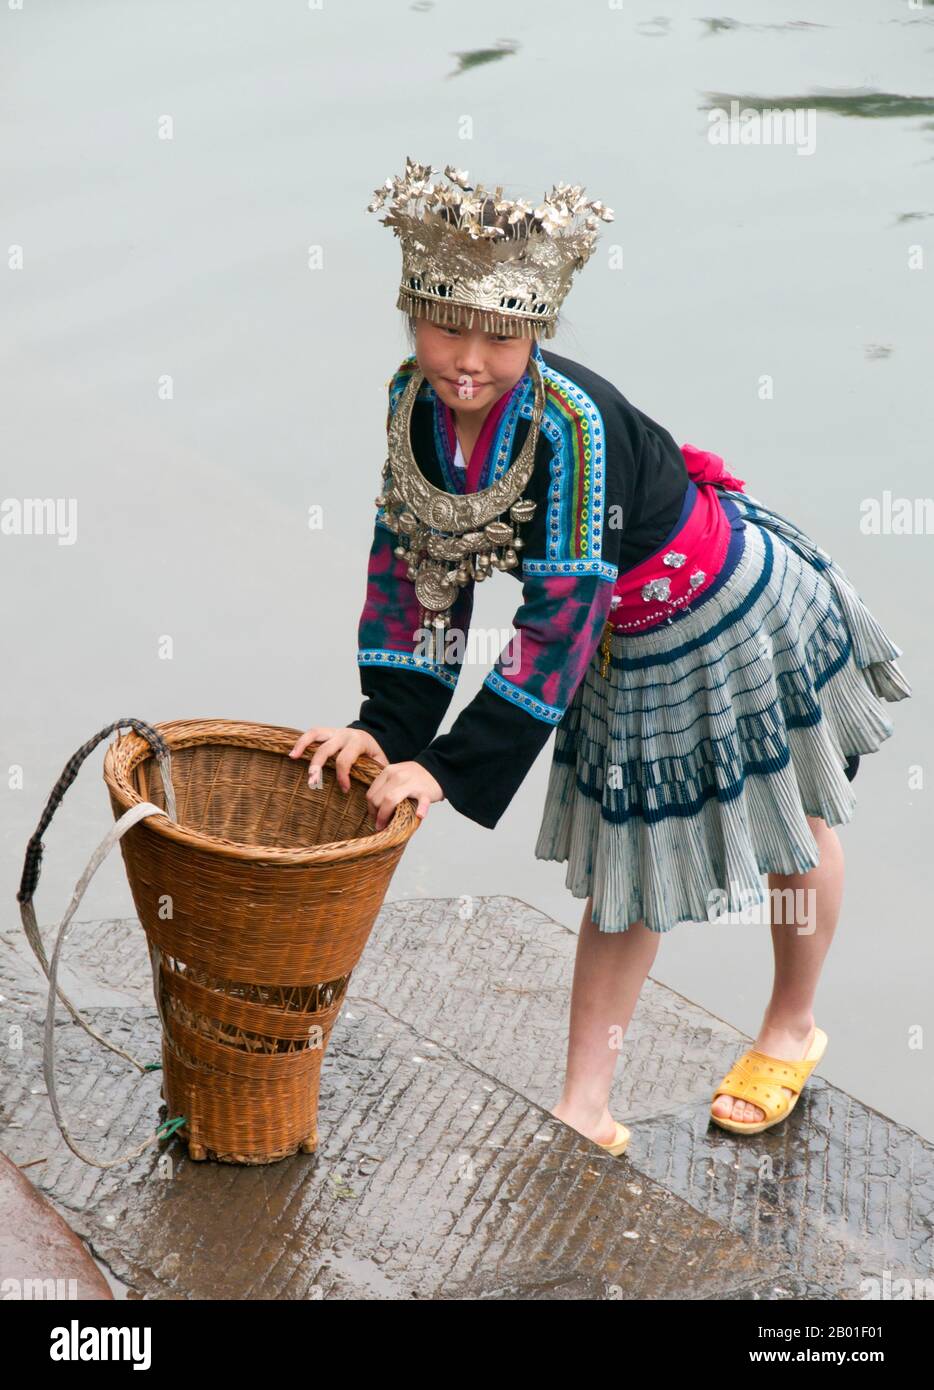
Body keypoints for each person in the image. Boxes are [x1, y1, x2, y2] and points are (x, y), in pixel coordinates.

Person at [289, 157, 911, 1153]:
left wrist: (446, 769)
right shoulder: (411, 406)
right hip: (619, 639)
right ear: (410, 314)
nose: (467, 360)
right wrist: (383, 730)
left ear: (536, 333)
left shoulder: (569, 425)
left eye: (500, 336)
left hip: (718, 602)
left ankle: (791, 1025)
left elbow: (557, 619)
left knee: (794, 818)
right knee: (628, 862)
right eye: (446, 325)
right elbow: (417, 574)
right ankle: (584, 1101)